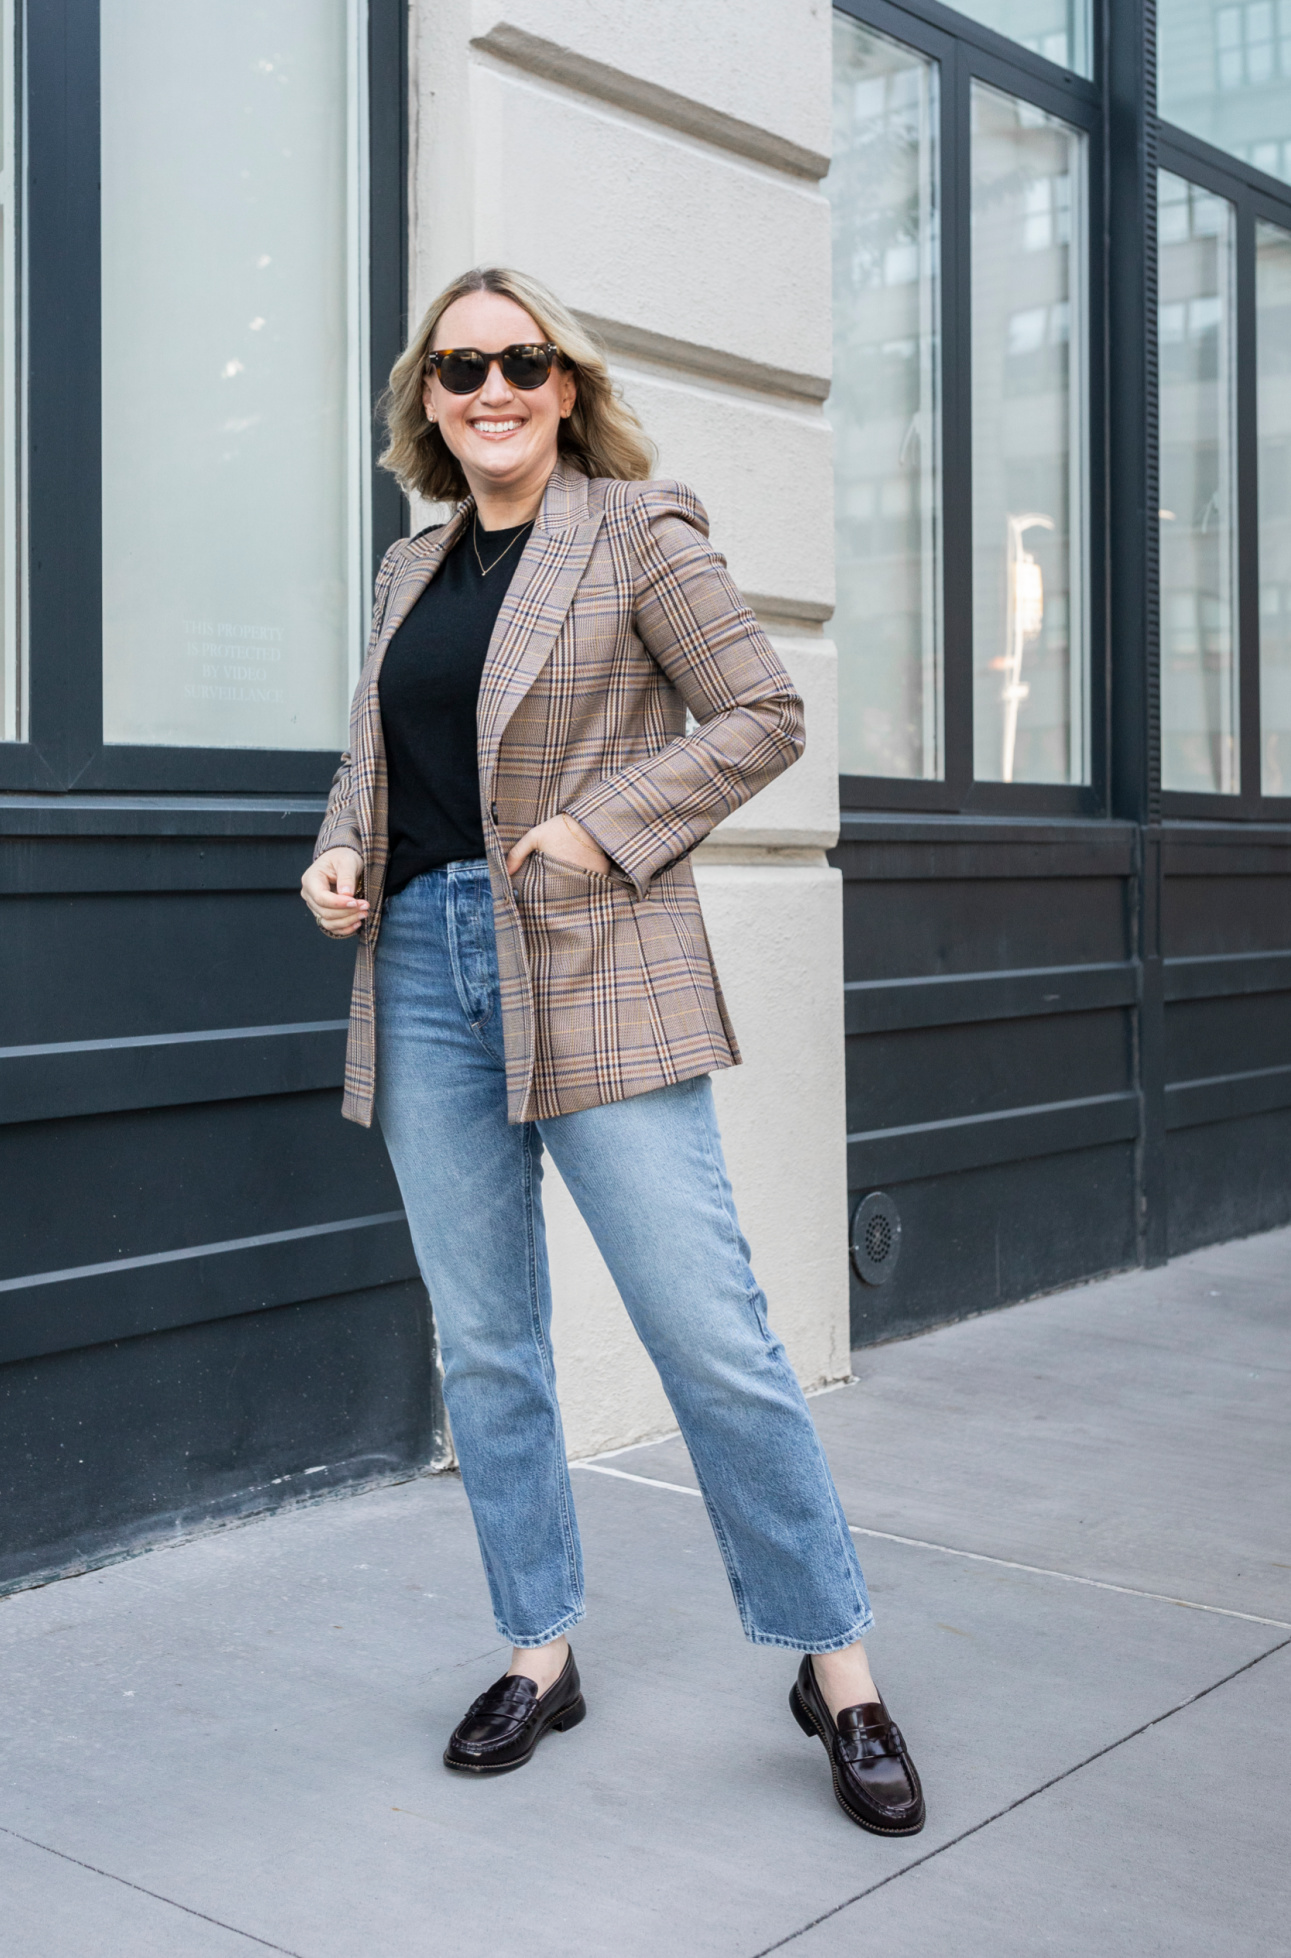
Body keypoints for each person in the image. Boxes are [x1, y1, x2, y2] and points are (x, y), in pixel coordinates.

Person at [300, 266, 924, 1835]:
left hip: (593, 961)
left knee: (709, 1333)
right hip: (427, 966)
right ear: (426, 402)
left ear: (565, 385)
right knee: (490, 1342)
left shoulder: (638, 527)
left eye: (521, 361)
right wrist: (337, 853)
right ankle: (539, 1644)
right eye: (459, 369)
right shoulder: (406, 567)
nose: (490, 388)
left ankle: (835, 1670)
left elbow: (760, 712)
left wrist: (601, 826)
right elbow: (378, 757)